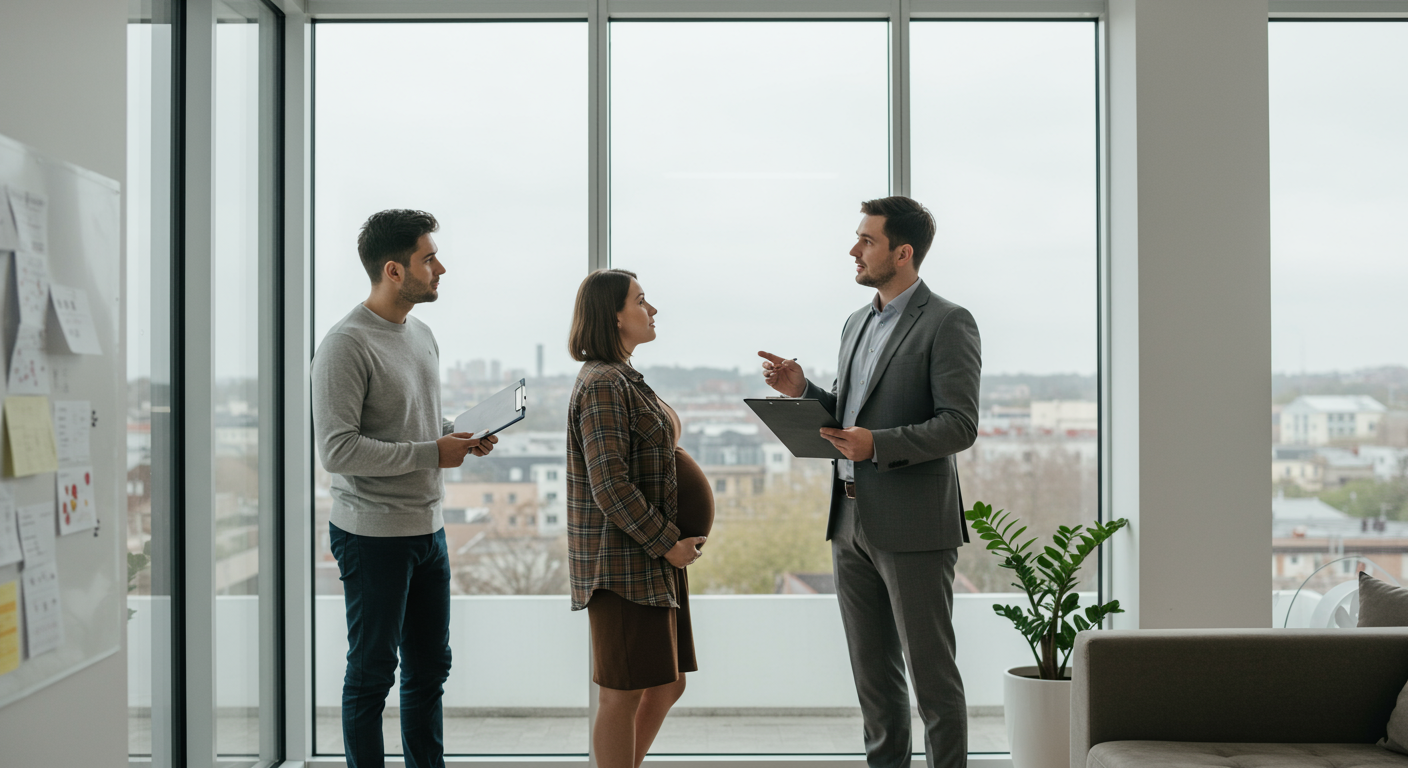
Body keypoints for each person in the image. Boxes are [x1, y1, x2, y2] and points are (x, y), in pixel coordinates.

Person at [759, 196, 981, 768]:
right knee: (874, 682)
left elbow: (959, 425)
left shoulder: (948, 321)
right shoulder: (856, 321)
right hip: (849, 520)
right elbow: (851, 414)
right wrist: (804, 393)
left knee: (932, 681)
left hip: (913, 524)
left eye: (867, 241)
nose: (854, 250)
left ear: (902, 253)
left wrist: (878, 445)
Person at [312, 209, 498, 768]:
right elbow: (337, 450)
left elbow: (416, 425)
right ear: (394, 270)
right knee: (372, 675)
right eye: (428, 258)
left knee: (429, 670)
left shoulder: (422, 334)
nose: (440, 268)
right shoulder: (345, 345)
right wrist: (430, 453)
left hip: (428, 530)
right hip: (372, 536)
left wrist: (454, 438)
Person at [565, 268, 713, 768]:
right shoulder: (604, 383)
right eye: (642, 301)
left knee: (668, 682)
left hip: (653, 561)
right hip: (627, 563)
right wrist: (667, 541)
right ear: (614, 315)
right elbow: (609, 484)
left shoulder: (624, 376)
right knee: (622, 693)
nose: (652, 310)